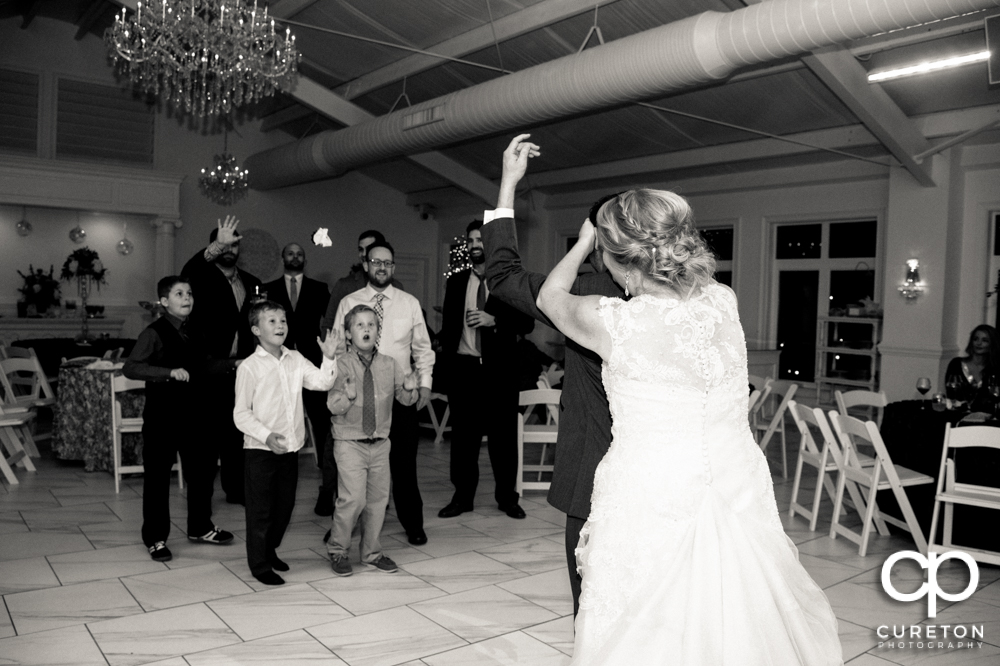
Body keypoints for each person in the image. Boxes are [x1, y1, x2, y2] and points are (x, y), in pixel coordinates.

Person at [520, 134, 841, 663]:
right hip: (734, 476)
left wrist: (580, 245)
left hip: (651, 490)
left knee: (646, 621)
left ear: (622, 263)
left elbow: (550, 297)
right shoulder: (723, 300)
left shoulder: (612, 321)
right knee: (737, 607)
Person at [480, 136, 624, 614]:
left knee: (592, 604)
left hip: (594, 473)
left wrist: (509, 184)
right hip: (662, 478)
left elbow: (501, 275)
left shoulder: (587, 297)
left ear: (598, 238)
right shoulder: (689, 302)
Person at [123, 276, 238, 563]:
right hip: (163, 416)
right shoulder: (153, 332)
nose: (187, 298)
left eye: (189, 293)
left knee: (202, 472)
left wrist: (234, 363)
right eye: (179, 294)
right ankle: (155, 537)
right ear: (164, 302)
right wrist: (168, 373)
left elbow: (205, 365)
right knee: (158, 478)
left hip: (198, 414)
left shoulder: (196, 330)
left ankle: (200, 527)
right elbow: (131, 367)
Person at [330, 241, 435, 545]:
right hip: (357, 396)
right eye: (376, 262)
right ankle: (344, 526)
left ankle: (412, 522)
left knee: (404, 465)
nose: (381, 267)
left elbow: (422, 349)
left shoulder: (409, 303)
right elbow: (337, 347)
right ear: (365, 264)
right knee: (353, 468)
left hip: (398, 395)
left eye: (387, 263)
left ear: (393, 267)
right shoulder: (349, 302)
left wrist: (424, 383)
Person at [232, 300, 341, 585]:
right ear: (256, 329)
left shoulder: (295, 358)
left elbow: (321, 382)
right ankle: (259, 564)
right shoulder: (250, 367)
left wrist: (328, 357)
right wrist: (266, 435)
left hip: (290, 450)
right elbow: (240, 414)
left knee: (284, 508)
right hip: (260, 451)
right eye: (272, 321)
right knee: (261, 510)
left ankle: (269, 550)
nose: (280, 325)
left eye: (283, 320)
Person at [438, 220, 534, 520]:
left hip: (499, 372)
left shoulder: (508, 282)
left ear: (491, 244)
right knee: (463, 440)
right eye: (470, 240)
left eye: (479, 239)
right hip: (464, 371)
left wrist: (496, 322)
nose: (474, 245)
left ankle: (507, 498)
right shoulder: (455, 282)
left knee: (503, 439)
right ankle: (462, 497)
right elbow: (449, 329)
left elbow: (528, 324)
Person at [325, 304, 420, 576]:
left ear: (377, 332)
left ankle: (371, 553)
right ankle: (337, 550)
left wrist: (410, 390)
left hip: (380, 443)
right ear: (348, 333)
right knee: (352, 499)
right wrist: (349, 396)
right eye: (359, 325)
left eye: (371, 325)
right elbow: (332, 405)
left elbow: (403, 398)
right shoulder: (340, 366)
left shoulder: (390, 365)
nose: (366, 329)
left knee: (378, 501)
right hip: (349, 442)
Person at [181, 215, 262, 505]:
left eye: (234, 244)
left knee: (236, 434)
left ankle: (236, 490)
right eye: (225, 245)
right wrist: (216, 245)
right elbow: (188, 270)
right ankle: (200, 496)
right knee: (204, 437)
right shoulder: (200, 277)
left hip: (242, 369)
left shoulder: (253, 283)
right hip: (208, 368)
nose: (230, 249)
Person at [262, 243, 334, 516]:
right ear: (283, 258)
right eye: (290, 253)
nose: (295, 257)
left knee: (320, 420)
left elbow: (327, 321)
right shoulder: (269, 288)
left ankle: (325, 472)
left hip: (310, 361)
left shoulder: (318, 288)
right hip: (277, 360)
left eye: (299, 254)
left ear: (305, 259)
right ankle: (275, 467)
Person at [321, 230, 404, 331]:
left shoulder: (396, 287)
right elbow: (329, 324)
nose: (364, 254)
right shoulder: (344, 285)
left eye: (369, 248)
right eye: (360, 249)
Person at [945, 324, 1000, 411]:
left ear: (992, 344)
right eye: (975, 339)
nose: (979, 343)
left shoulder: (995, 369)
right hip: (959, 415)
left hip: (986, 418)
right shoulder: (956, 364)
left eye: (985, 340)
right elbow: (951, 395)